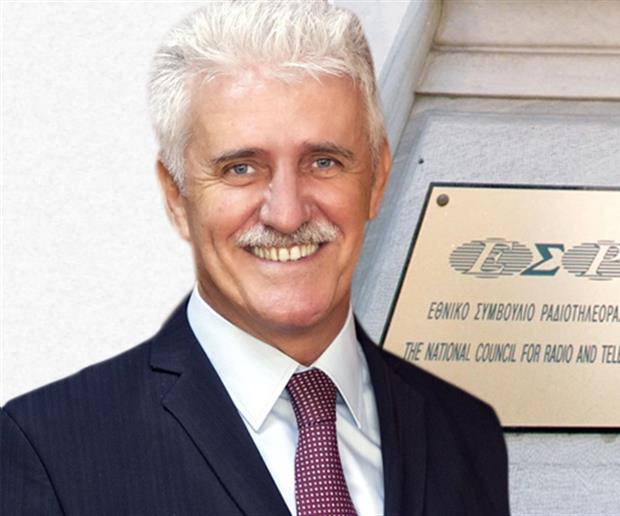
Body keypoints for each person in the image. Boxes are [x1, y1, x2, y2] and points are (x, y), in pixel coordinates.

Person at [0, 2, 509, 515]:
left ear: (376, 180)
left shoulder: (466, 434)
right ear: (176, 197)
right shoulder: (51, 452)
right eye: (241, 168)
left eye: (324, 162)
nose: (287, 215)